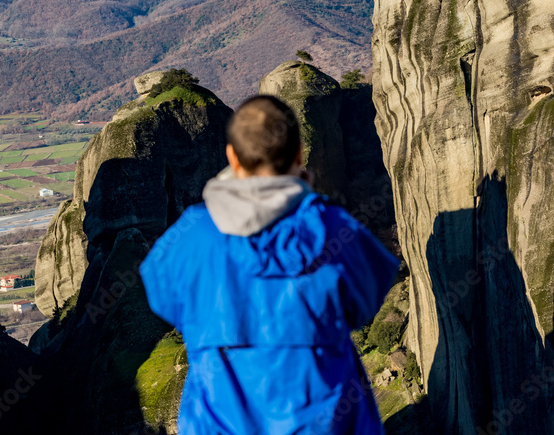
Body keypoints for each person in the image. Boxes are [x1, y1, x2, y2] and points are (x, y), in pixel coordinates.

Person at [140, 94, 399, 434]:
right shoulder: (334, 229)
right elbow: (366, 302)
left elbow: (163, 298)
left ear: (232, 156)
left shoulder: (191, 237)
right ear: (298, 155)